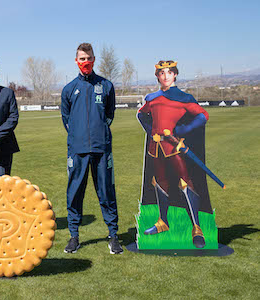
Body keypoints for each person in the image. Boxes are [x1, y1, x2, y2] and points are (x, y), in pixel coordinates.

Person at [137, 60, 209, 248]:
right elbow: (141, 114)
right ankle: (162, 222)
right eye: (162, 73)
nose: (165, 76)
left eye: (169, 72)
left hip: (174, 147)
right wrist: (150, 130)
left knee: (185, 182)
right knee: (160, 183)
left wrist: (184, 130)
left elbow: (203, 115)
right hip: (156, 148)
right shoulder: (152, 98)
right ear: (158, 77)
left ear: (175, 74)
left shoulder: (183, 98)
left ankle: (196, 228)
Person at [61, 43, 122, 254]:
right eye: (81, 59)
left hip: (101, 149)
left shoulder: (106, 86)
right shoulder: (69, 89)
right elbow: (66, 120)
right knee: (75, 192)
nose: (85, 62)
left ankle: (113, 235)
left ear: (94, 59)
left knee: (106, 192)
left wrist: (99, 132)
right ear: (76, 61)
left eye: (88, 58)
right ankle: (74, 236)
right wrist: (78, 136)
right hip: (77, 150)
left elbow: (109, 115)